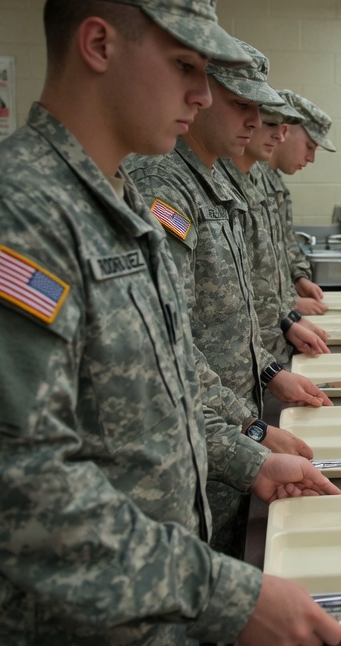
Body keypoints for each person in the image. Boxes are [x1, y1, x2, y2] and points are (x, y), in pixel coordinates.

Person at [0, 0, 341, 646]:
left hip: (149, 614)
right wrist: (223, 594)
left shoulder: (115, 201)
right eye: (186, 66)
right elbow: (19, 495)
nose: (202, 94)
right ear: (99, 43)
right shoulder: (5, 222)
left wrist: (247, 457)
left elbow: (169, 373)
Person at [126, 40, 329, 559]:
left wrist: (266, 374)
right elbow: (171, 346)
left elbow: (235, 308)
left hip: (226, 422)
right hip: (200, 436)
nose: (258, 122)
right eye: (242, 105)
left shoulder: (215, 180)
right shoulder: (162, 186)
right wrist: (250, 429)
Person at [220, 77, 330, 366]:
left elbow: (269, 258)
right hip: (240, 367)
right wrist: (288, 315)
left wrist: (295, 287)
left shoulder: (255, 178)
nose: (277, 136)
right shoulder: (219, 180)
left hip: (263, 355)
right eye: (273, 125)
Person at [269, 90, 337, 317]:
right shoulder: (247, 180)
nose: (311, 158)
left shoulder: (274, 183)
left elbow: (283, 244)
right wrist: (290, 303)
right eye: (309, 146)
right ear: (285, 130)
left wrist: (299, 278)